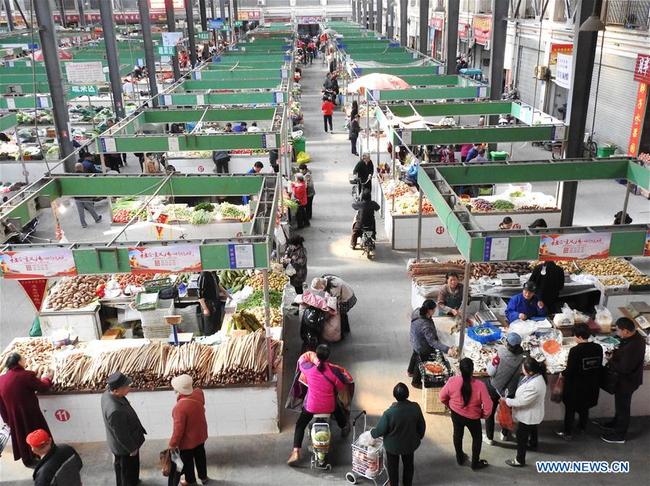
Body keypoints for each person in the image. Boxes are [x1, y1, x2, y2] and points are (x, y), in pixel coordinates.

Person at [287, 346, 350, 466]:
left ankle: (296, 451)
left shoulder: (309, 368)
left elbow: (301, 360)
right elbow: (341, 386)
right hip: (328, 406)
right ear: (328, 356)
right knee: (337, 408)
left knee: (300, 424)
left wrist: (311, 356)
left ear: (317, 355)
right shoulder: (334, 371)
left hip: (311, 406)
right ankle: (344, 427)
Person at [596, 317, 646, 444]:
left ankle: (620, 435)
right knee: (620, 406)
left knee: (623, 408)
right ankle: (615, 423)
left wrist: (611, 360)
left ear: (625, 331)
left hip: (627, 382)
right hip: (625, 381)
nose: (616, 332)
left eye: (618, 330)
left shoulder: (633, 346)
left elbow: (624, 368)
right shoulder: (633, 338)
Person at [0, 353, 52, 467]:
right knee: (38, 434)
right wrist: (46, 378)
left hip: (13, 416)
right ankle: (45, 456)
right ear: (18, 362)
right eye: (23, 359)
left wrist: (7, 420)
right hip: (31, 414)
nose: (25, 360)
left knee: (21, 436)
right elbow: (43, 387)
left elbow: (1, 405)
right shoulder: (26, 375)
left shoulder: (1, 379)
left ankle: (27, 459)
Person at [440, 358, 492, 470]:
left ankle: (459, 458)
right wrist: (482, 415)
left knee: (457, 435)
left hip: (456, 414)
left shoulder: (452, 381)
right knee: (477, 438)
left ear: (460, 369)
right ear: (472, 370)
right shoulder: (480, 385)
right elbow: (488, 407)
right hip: (473, 418)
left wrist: (450, 406)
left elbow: (442, 397)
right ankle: (475, 463)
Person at [370, 383, 425, 486]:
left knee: (392, 467)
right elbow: (422, 425)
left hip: (393, 447)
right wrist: (419, 436)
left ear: (394, 396)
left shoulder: (389, 413)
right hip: (409, 444)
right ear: (408, 394)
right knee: (408, 465)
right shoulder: (415, 407)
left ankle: (394, 484)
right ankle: (407, 484)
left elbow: (380, 430)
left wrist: (372, 433)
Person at [555, 324, 603, 440]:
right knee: (584, 408)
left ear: (579, 337)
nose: (574, 338)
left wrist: (562, 373)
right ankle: (582, 427)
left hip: (575, 387)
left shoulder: (575, 350)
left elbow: (570, 370)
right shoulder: (598, 348)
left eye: (575, 336)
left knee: (570, 410)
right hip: (591, 385)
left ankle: (567, 433)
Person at [101, 372, 147, 486]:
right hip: (125, 448)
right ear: (116, 390)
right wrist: (132, 449)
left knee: (127, 468)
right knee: (127, 471)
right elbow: (122, 435)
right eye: (126, 386)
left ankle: (133, 481)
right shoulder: (115, 411)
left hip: (123, 444)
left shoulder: (107, 394)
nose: (129, 388)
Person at [505, 358, 547, 467]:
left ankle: (520, 460)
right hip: (532, 413)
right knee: (533, 429)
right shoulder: (534, 376)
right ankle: (533, 444)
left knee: (521, 437)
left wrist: (507, 401)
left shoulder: (535, 385)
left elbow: (522, 401)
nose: (522, 369)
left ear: (531, 371)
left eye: (523, 368)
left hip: (529, 415)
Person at [483, 332, 525, 444]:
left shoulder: (501, 354)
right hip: (509, 390)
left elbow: (490, 372)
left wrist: (489, 362)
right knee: (506, 411)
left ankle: (489, 437)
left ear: (508, 344)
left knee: (490, 412)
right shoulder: (521, 357)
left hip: (495, 387)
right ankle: (505, 434)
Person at [168, 374, 209, 486]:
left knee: (188, 461)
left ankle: (190, 481)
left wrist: (172, 444)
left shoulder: (179, 408)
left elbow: (178, 430)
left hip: (187, 442)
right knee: (201, 456)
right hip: (200, 435)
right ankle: (203, 477)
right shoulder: (198, 393)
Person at [408, 300, 458, 388]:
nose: (435, 312)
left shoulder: (418, 311)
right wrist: (447, 349)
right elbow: (432, 342)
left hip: (414, 339)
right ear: (429, 311)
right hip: (422, 345)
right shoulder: (425, 325)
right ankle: (415, 382)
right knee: (421, 361)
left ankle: (410, 371)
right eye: (434, 310)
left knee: (415, 354)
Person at [196, 270, 229, 336]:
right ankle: (208, 340)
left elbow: (218, 285)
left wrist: (226, 293)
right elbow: (200, 294)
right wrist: (205, 309)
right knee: (209, 326)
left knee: (216, 324)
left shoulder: (214, 273)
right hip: (208, 304)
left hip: (216, 302)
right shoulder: (204, 275)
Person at [73, 163, 103, 228]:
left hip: (77, 197)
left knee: (80, 212)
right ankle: (97, 219)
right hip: (85, 196)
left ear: (75, 168)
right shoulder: (84, 175)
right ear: (81, 168)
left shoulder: (72, 176)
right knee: (91, 208)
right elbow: (88, 186)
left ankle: (83, 224)